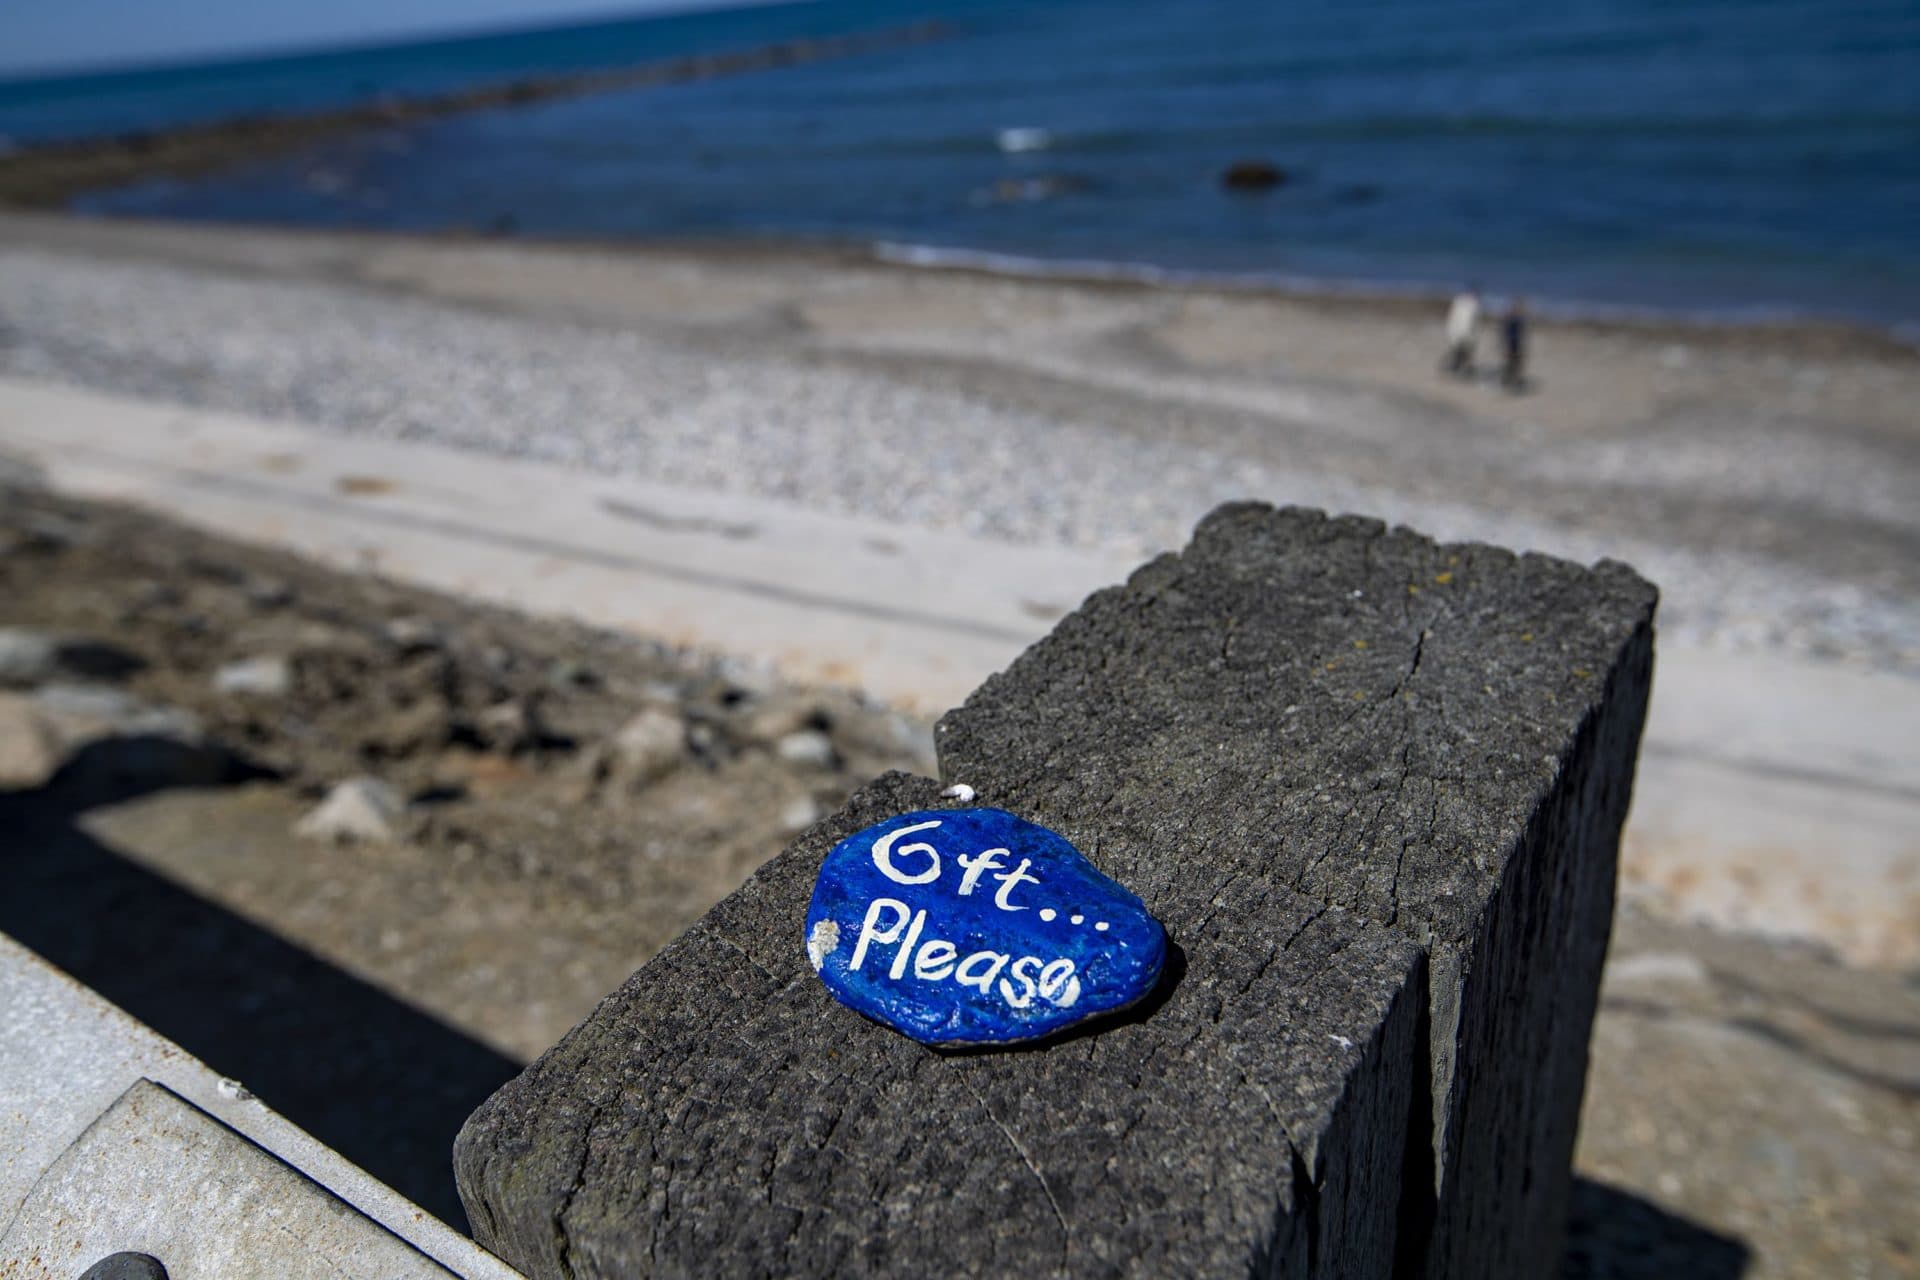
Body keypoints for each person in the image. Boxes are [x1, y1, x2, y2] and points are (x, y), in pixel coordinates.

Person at [1441, 286, 1480, 377]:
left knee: (1463, 353)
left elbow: (1474, 323)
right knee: (1458, 352)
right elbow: (1455, 318)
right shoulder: (1463, 303)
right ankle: (1453, 368)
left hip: (1465, 333)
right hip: (1461, 332)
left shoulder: (1473, 304)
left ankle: (1459, 370)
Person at [1500, 297, 1529, 391]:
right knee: (1511, 364)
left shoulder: (1521, 318)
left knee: (1517, 365)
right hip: (1511, 345)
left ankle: (1514, 382)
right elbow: (1505, 333)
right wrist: (1504, 346)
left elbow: (1522, 335)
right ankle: (1508, 382)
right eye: (1519, 305)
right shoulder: (1510, 318)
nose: (1520, 308)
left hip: (1517, 345)